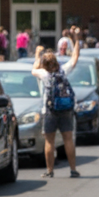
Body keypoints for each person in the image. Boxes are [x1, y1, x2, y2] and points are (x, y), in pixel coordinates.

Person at [33, 27, 82, 178]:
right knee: (68, 139)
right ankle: (73, 170)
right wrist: (76, 39)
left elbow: (33, 69)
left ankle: (50, 171)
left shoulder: (43, 74)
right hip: (66, 109)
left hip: (49, 111)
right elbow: (75, 57)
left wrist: (37, 54)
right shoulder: (63, 71)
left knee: (49, 141)